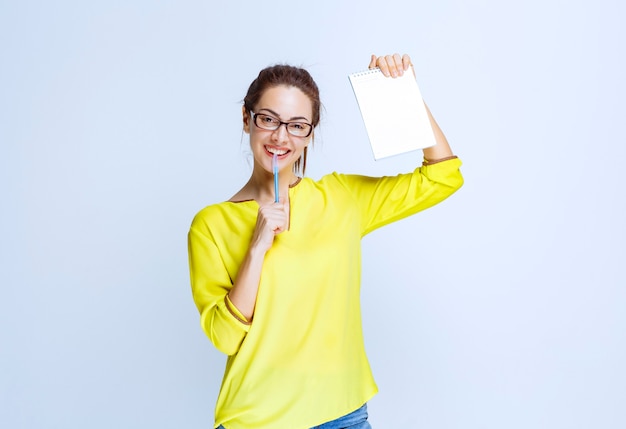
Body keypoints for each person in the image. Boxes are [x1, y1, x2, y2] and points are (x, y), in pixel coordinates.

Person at [187, 53, 463, 429]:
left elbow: (442, 177)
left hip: (342, 415)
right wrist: (257, 249)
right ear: (247, 120)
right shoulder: (211, 224)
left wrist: (405, 93)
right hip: (256, 419)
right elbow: (224, 337)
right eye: (268, 120)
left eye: (297, 125)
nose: (281, 136)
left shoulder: (342, 198)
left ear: (310, 133)